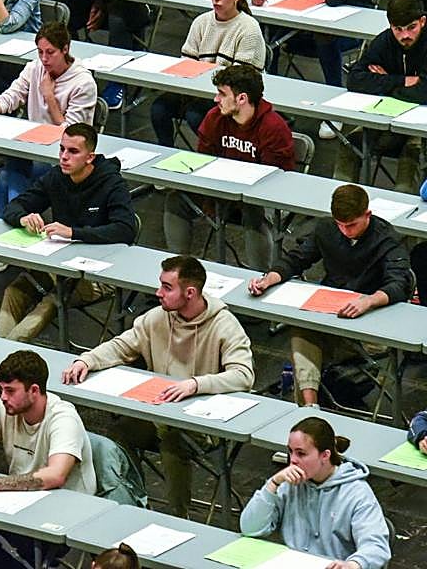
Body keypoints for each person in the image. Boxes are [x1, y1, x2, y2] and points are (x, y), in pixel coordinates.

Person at [62, 255, 254, 518]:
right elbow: (122, 345)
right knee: (119, 433)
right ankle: (133, 501)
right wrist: (87, 360)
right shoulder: (157, 317)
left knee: (173, 442)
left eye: (166, 287)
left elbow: (243, 375)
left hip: (200, 424)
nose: (158, 292)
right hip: (159, 412)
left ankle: (177, 518)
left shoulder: (224, 325)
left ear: (190, 292)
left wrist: (197, 384)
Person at [249, 184, 412, 407]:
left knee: (307, 336)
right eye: (340, 225)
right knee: (302, 328)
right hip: (330, 314)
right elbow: (296, 259)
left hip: (372, 325)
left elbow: (399, 283)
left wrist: (369, 301)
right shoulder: (326, 228)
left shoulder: (389, 240)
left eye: (352, 225)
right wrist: (269, 278)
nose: (346, 231)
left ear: (367, 215)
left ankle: (310, 403)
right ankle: (309, 407)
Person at [0, 350, 96, 567]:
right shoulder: (5, 408)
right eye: (1, 389)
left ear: (34, 390)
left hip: (66, 513)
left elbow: (56, 475)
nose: (3, 397)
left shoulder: (63, 418)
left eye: (10, 390)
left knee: (26, 540)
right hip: (21, 503)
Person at [0, 123, 136, 341]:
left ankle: (5, 354)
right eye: (62, 149)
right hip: (59, 264)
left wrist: (73, 232)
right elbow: (14, 206)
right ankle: (4, 354)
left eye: (72, 151)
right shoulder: (57, 177)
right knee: (14, 292)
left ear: (90, 157)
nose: (63, 157)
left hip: (98, 272)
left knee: (53, 299)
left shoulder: (112, 184)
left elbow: (125, 229)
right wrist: (23, 217)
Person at [0, 22, 97, 223]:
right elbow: (10, 97)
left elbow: (72, 134)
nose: (44, 59)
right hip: (33, 148)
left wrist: (49, 97)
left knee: (8, 177)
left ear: (65, 49)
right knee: (6, 175)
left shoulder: (83, 83)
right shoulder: (34, 68)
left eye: (50, 52)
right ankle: (15, 229)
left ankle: (16, 227)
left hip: (63, 157)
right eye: (40, 52)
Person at [163, 65, 294, 270]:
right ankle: (178, 272)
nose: (216, 99)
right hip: (221, 189)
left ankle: (261, 277)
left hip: (262, 197)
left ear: (241, 98)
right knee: (177, 200)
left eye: (222, 94)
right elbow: (203, 162)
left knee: (254, 210)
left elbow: (275, 180)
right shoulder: (215, 118)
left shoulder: (273, 128)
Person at [240, 416, 390, 568]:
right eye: (290, 452)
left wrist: (353, 564)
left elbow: (376, 547)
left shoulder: (357, 493)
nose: (293, 460)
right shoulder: (288, 484)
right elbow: (250, 529)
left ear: (325, 455)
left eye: (301, 453)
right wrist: (273, 483)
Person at [150, 0, 266, 147]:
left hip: (233, 95)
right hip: (198, 90)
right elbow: (187, 61)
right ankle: (166, 154)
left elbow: (241, 79)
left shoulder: (248, 28)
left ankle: (216, 153)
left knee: (195, 115)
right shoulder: (201, 22)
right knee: (159, 109)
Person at [337, 0, 427, 189]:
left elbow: (424, 92)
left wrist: (382, 85)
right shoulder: (384, 41)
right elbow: (355, 79)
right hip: (382, 118)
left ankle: (402, 213)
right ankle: (341, 208)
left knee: (411, 156)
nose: (405, 36)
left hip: (418, 127)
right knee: (350, 143)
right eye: (398, 29)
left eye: (411, 28)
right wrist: (400, 81)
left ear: (422, 21)